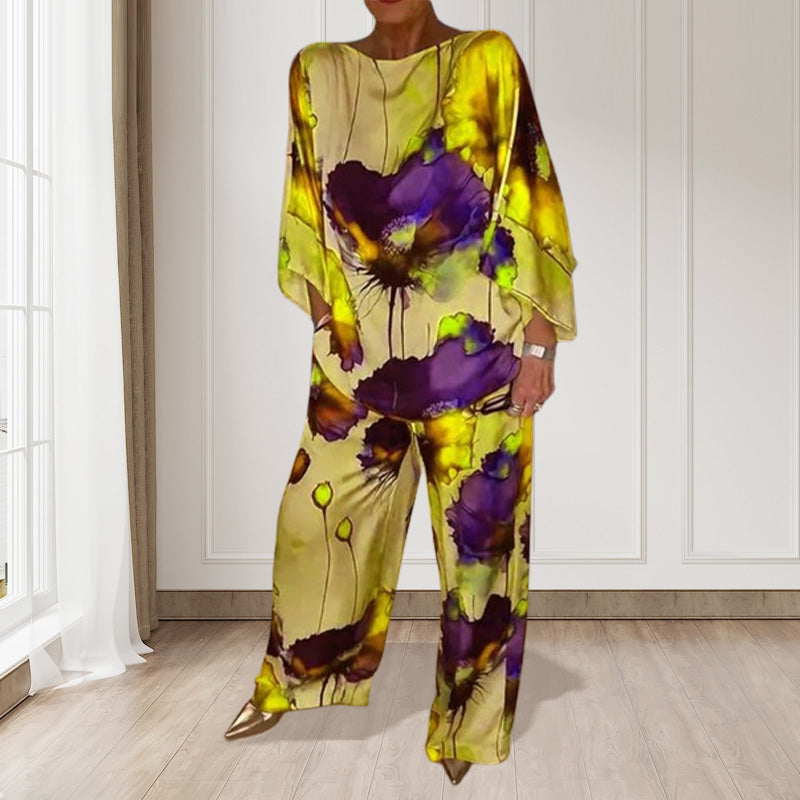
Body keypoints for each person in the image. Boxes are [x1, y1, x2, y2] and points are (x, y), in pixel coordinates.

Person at [224, 0, 578, 786]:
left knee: (482, 560)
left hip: (479, 361)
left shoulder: (488, 58)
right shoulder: (317, 70)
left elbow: (530, 195)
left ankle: (466, 730)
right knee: (312, 525)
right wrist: (326, 320)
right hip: (359, 368)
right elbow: (304, 203)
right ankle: (293, 678)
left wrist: (540, 345)